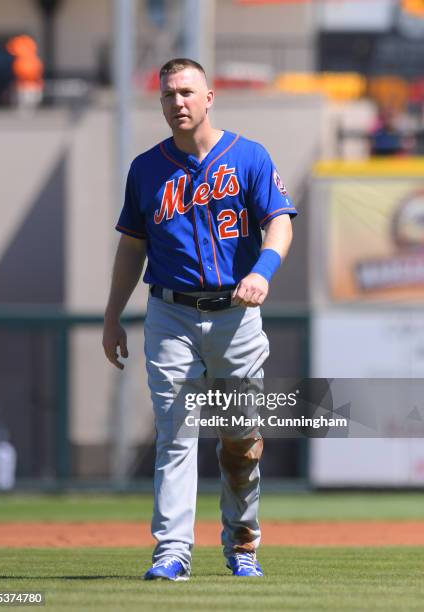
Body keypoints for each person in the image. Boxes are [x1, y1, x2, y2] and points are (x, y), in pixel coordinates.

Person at [103, 58, 297, 581]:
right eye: (168, 95)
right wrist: (112, 315)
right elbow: (131, 246)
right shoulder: (146, 168)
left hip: (237, 313)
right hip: (169, 312)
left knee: (241, 439)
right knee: (176, 433)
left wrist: (264, 270)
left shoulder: (249, 156)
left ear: (209, 97)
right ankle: (172, 550)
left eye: (187, 92)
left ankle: (242, 545)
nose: (177, 103)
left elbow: (279, 223)